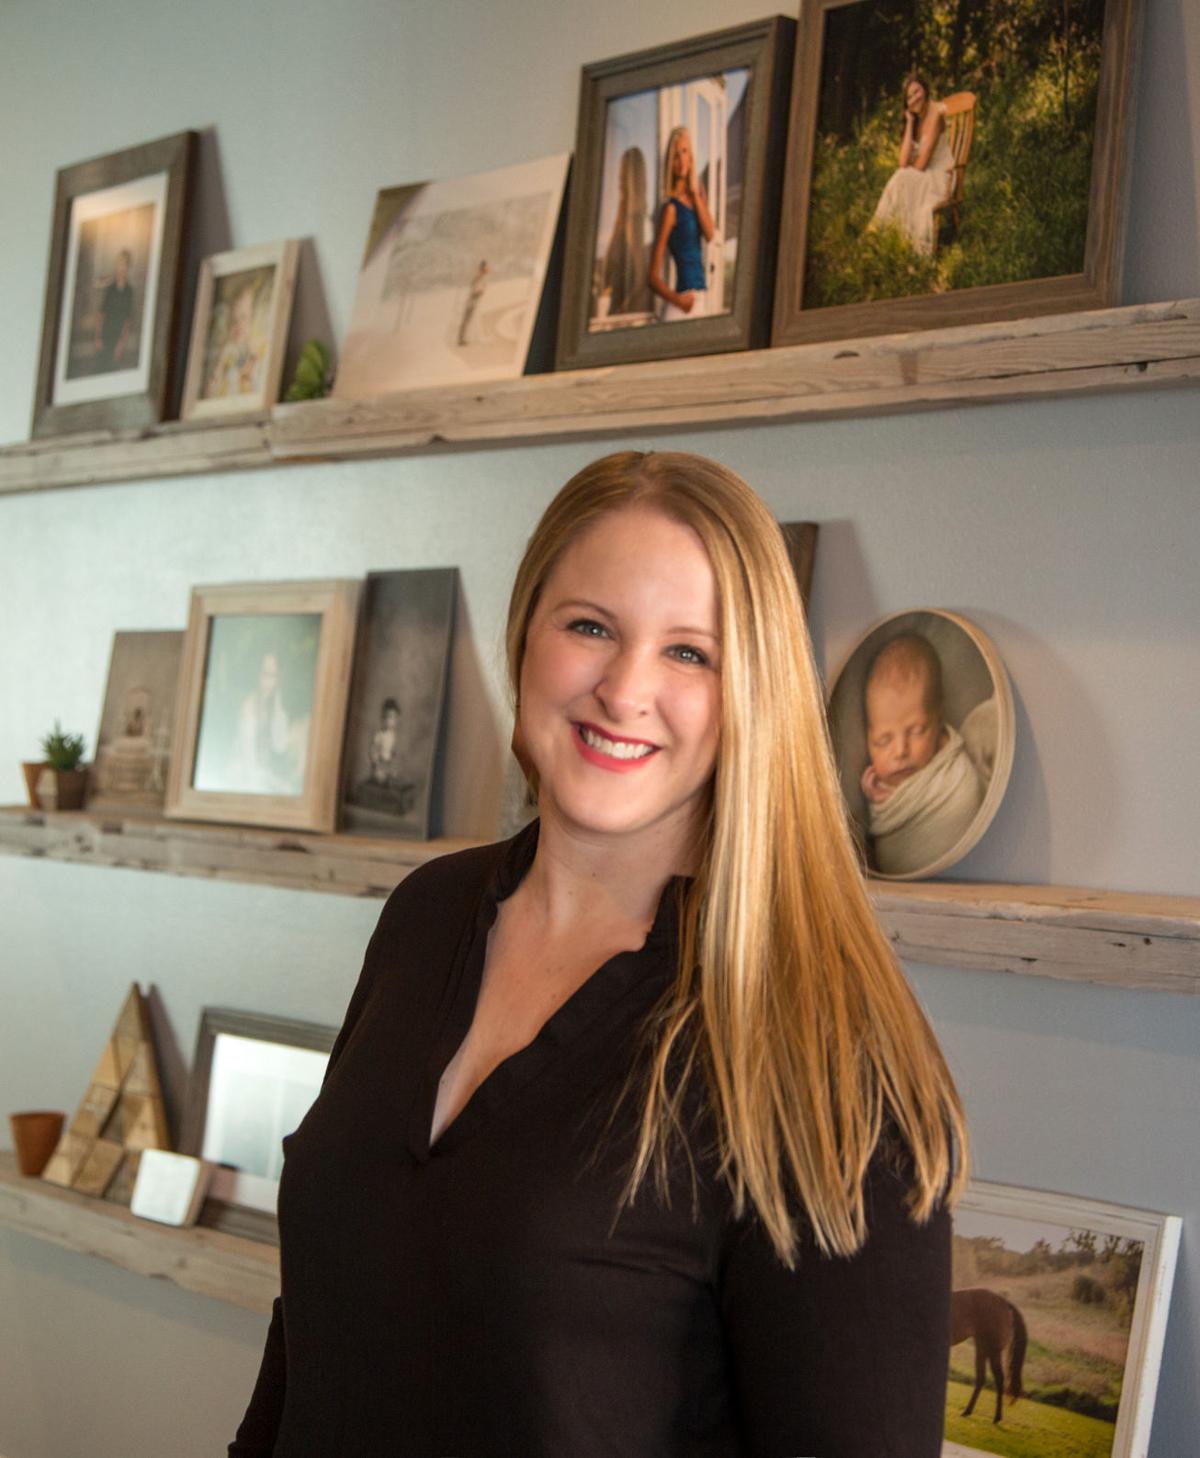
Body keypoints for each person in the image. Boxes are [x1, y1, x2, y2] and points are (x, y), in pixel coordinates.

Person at [230, 450, 968, 1457]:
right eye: (591, 627)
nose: (624, 690)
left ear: (752, 694)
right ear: (527, 632)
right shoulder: (426, 916)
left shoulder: (818, 1042)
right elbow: (315, 1330)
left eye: (690, 654)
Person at [860, 633, 986, 876]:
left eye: (916, 731)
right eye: (883, 740)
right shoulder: (871, 786)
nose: (900, 751)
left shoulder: (956, 780)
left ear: (938, 719)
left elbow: (967, 803)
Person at [869, 74, 957, 257]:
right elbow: (902, 162)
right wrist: (909, 122)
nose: (915, 97)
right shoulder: (916, 120)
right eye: (909, 96)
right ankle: (882, 236)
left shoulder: (936, 114)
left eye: (917, 91)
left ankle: (878, 232)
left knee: (902, 177)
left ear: (925, 90)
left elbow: (921, 164)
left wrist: (909, 168)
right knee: (902, 175)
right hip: (923, 174)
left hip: (941, 177)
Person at [649, 126, 715, 321]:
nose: (681, 160)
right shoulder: (670, 209)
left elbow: (710, 234)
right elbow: (652, 277)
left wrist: (695, 195)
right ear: (671, 162)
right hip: (682, 307)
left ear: (692, 155)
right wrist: (679, 301)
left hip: (701, 301)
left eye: (685, 152)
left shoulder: (697, 196)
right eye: (676, 155)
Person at [598, 145, 652, 318]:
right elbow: (608, 271)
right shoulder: (624, 218)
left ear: (632, 179)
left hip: (625, 314)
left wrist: (621, 312)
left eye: (623, 174)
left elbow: (640, 278)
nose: (619, 181)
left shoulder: (635, 220)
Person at [94, 248, 135, 372]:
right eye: (118, 264)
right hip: (105, 334)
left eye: (123, 264)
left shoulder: (129, 291)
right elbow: (101, 314)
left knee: (114, 370)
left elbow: (128, 320)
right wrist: (98, 337)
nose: (120, 268)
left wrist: (121, 344)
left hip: (118, 337)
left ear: (128, 267)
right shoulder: (110, 288)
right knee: (100, 368)